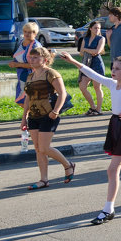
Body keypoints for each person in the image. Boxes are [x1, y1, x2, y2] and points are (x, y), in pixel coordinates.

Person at [59, 50, 121, 223]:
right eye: (113, 68)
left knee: (112, 169)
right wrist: (73, 61)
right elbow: (92, 73)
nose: (113, 71)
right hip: (116, 126)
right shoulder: (111, 83)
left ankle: (108, 210)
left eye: (117, 69)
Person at [20, 45, 76, 190]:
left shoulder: (51, 74)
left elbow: (62, 93)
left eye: (35, 57)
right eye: (30, 57)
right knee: (39, 149)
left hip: (49, 114)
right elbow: (28, 98)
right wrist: (24, 117)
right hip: (33, 116)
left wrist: (56, 111)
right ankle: (43, 179)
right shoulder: (30, 76)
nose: (32, 60)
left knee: (44, 147)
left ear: (44, 59)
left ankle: (68, 165)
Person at [77, 20, 107, 115]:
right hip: (86, 64)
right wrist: (88, 50)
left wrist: (85, 49)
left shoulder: (101, 38)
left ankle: (99, 109)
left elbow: (97, 51)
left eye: (99, 28)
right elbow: (81, 53)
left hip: (97, 64)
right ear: (90, 28)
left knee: (97, 87)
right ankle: (93, 107)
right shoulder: (85, 39)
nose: (97, 30)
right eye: (95, 28)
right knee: (82, 86)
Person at [7, 21, 40, 105]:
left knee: (27, 100)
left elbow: (37, 65)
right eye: (25, 31)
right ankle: (30, 116)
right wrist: (14, 63)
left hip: (31, 76)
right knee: (21, 100)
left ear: (35, 33)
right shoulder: (22, 42)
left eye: (30, 32)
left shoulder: (35, 46)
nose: (27, 34)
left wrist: (17, 65)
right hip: (21, 75)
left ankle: (33, 116)